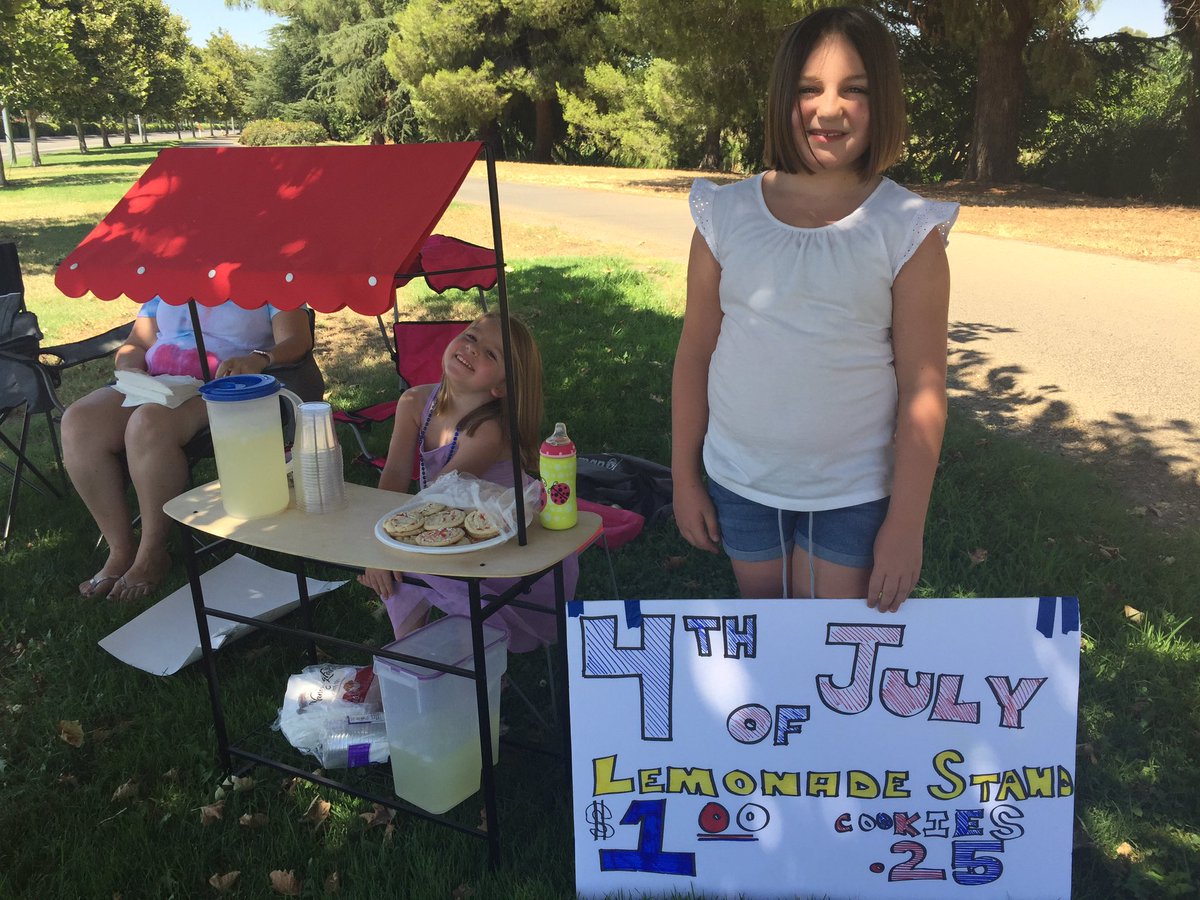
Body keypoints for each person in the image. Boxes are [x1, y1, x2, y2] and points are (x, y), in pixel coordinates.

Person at [671, 6, 957, 611]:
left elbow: (923, 387)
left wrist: (906, 525)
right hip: (740, 478)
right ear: (783, 96)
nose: (829, 110)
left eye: (855, 90)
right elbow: (695, 354)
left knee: (827, 636)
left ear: (883, 101)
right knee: (768, 626)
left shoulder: (907, 229)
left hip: (854, 491)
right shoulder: (725, 215)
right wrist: (683, 477)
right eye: (809, 89)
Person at [63, 297, 315, 601]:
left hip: (226, 387)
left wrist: (259, 358)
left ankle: (152, 552)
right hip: (157, 382)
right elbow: (136, 344)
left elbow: (297, 340)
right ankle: (120, 549)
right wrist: (130, 367)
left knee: (148, 423)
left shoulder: (265, 276)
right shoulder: (169, 278)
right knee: (79, 423)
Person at [358, 312, 577, 652]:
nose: (473, 349)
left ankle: (477, 662)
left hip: (508, 544)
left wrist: (389, 554)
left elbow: (439, 496)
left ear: (501, 387)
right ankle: (411, 657)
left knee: (409, 562)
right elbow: (396, 475)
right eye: (472, 337)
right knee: (401, 562)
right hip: (453, 528)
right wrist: (377, 548)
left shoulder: (488, 432)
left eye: (491, 354)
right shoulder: (414, 402)